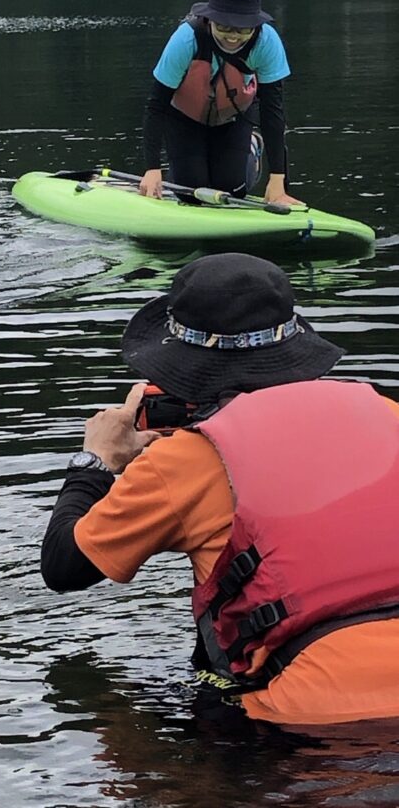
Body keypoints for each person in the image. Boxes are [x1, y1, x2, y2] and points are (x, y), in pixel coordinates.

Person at [41, 252, 399, 725]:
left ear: (182, 367)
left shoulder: (187, 460)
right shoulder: (388, 415)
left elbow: (64, 566)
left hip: (315, 726)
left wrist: (97, 462)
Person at [140, 0, 301, 206]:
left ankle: (252, 147)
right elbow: (156, 105)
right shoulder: (186, 39)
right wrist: (152, 169)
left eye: (243, 29)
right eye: (224, 26)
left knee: (231, 191)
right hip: (184, 118)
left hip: (234, 117)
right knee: (191, 193)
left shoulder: (267, 41)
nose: (233, 36)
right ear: (210, 19)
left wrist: (278, 182)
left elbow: (272, 112)